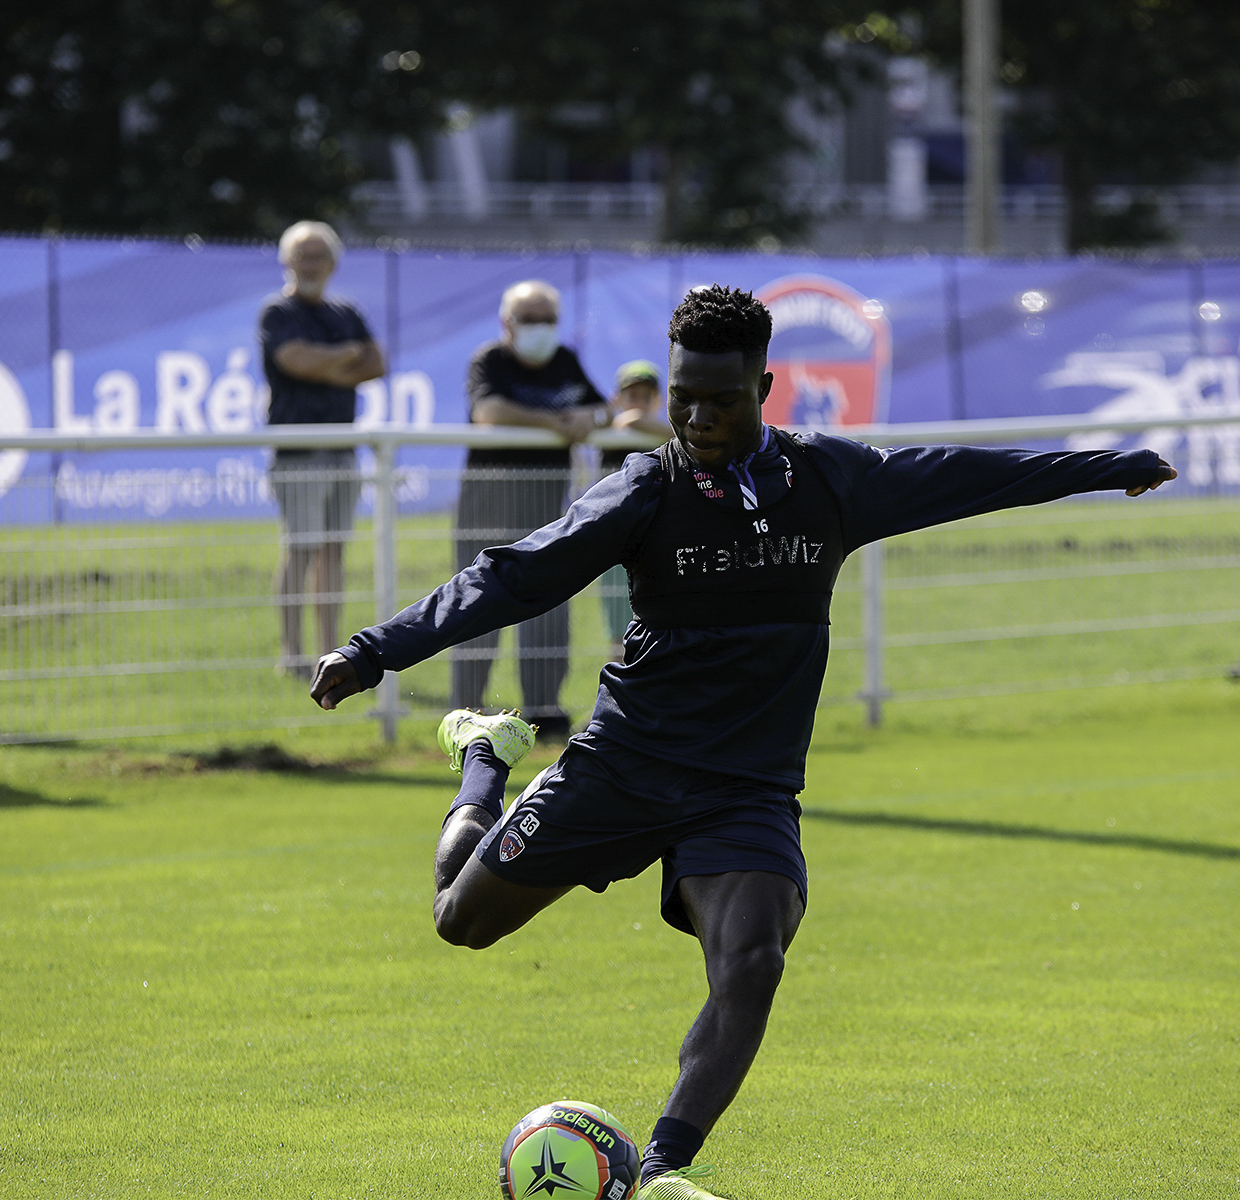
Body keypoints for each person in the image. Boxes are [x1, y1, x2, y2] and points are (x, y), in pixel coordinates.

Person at [310, 286, 1176, 1199]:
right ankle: (485, 760)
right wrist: (372, 651)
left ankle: (661, 1172)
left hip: (745, 788)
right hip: (625, 764)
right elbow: (511, 577)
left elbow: (965, 476)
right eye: (683, 397)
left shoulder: (828, 480)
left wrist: (1105, 467)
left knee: (754, 961)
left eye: (720, 400)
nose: (695, 418)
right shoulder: (647, 489)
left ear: (763, 387)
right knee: (460, 920)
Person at [452, 280, 613, 739]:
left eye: (548, 319)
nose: (540, 327)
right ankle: (466, 711)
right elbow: (488, 410)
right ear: (507, 323)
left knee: (548, 603)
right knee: (476, 602)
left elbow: (602, 407)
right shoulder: (489, 360)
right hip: (487, 501)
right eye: (530, 319)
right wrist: (554, 423)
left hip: (546, 505)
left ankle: (544, 710)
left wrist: (590, 418)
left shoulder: (564, 360)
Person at [259, 220, 385, 678]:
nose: (310, 264)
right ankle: (292, 653)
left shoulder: (345, 311)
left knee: (333, 551)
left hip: (342, 449)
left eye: (319, 256)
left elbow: (377, 363)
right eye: (302, 255)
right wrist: (344, 357)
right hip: (298, 451)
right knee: (300, 549)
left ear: (333, 263)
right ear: (286, 261)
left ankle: (328, 650)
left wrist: (323, 364)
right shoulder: (277, 312)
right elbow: (294, 361)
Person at [598, 359, 670, 657]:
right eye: (632, 395)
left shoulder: (663, 440)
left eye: (645, 396)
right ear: (617, 399)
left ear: (658, 400)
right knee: (620, 635)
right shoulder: (613, 434)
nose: (638, 402)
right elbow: (628, 421)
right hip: (616, 543)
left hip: (656, 541)